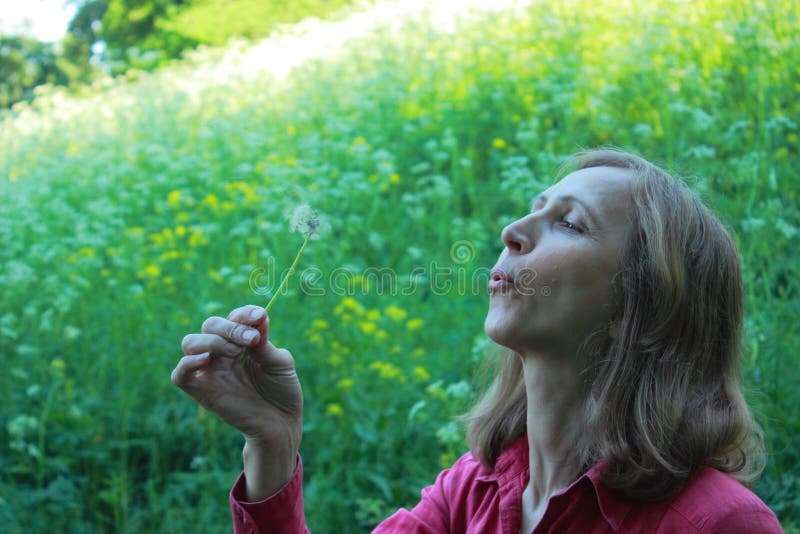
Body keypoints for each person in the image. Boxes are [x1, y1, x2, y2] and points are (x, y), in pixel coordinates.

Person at [172, 148, 783, 533]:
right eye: (532, 209)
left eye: (570, 224)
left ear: (640, 306)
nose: (512, 230)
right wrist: (273, 444)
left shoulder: (717, 523)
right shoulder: (471, 493)